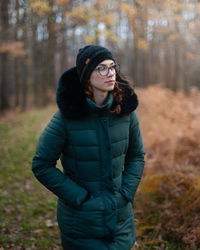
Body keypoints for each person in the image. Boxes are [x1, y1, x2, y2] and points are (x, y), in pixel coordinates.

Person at [32, 45, 145, 250]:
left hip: (120, 219)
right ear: (86, 76)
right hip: (81, 223)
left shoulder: (126, 112)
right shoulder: (66, 117)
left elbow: (137, 156)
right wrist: (80, 198)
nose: (110, 73)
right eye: (101, 68)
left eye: (112, 67)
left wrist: (126, 194)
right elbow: (42, 165)